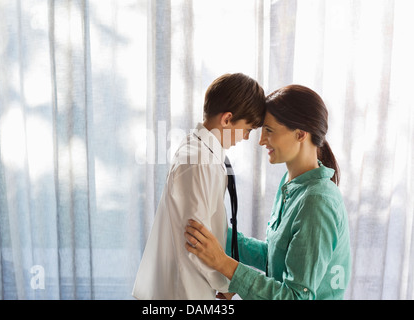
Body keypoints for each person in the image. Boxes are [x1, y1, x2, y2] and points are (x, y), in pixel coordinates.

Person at [185, 84, 351, 300]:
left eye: (269, 131)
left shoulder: (317, 201)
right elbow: (275, 258)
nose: (261, 140)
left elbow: (294, 297)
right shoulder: (292, 183)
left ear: (300, 134)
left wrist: (225, 265)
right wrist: (218, 236)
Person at [132, 73, 266, 300]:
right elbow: (195, 240)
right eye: (247, 129)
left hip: (191, 286)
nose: (245, 137)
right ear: (227, 119)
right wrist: (227, 283)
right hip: (185, 290)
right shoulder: (199, 161)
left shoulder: (203, 153)